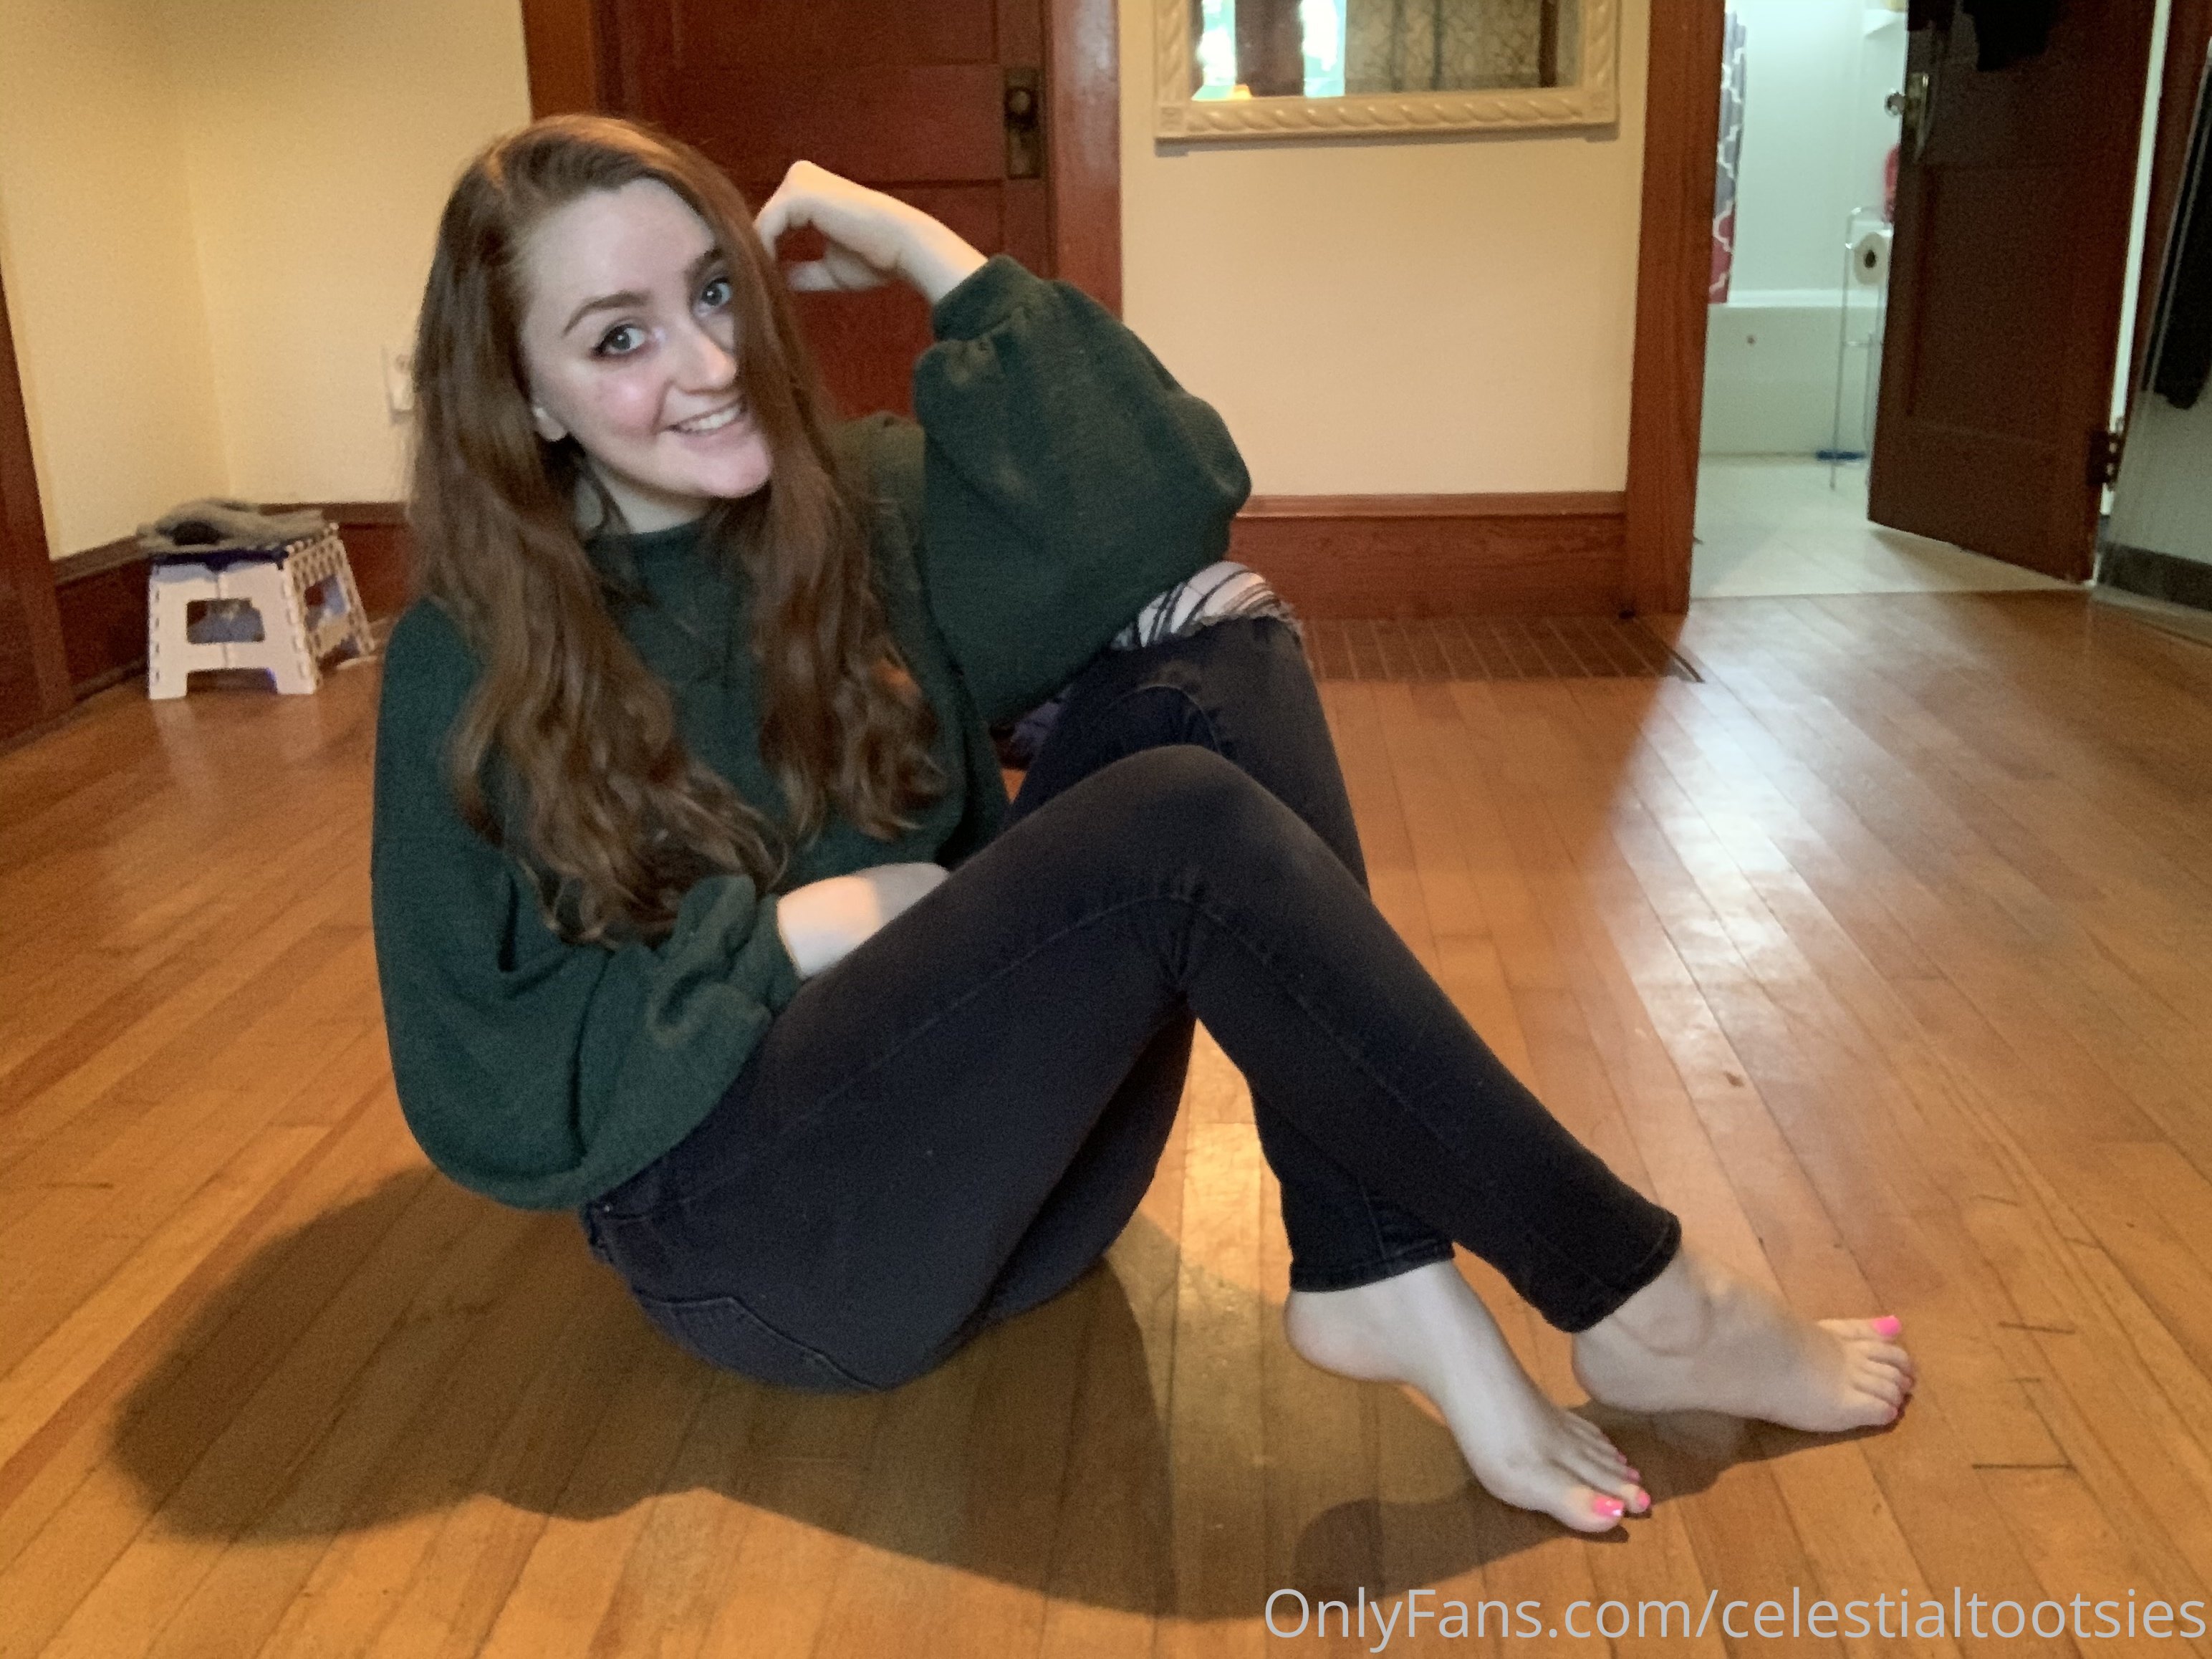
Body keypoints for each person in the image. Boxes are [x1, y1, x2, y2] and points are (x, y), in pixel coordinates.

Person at [371, 114, 1915, 1536]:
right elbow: (481, 1083)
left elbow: (1173, 501)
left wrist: (933, 257)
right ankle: (1641, 1293)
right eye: (620, 337)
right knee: (1173, 821)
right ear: (527, 396)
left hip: (1025, 1205)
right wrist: (796, 933)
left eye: (717, 291)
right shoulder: (467, 655)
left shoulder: (850, 507)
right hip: (778, 1266)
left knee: (1213, 647)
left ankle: (1377, 1262)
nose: (711, 362)